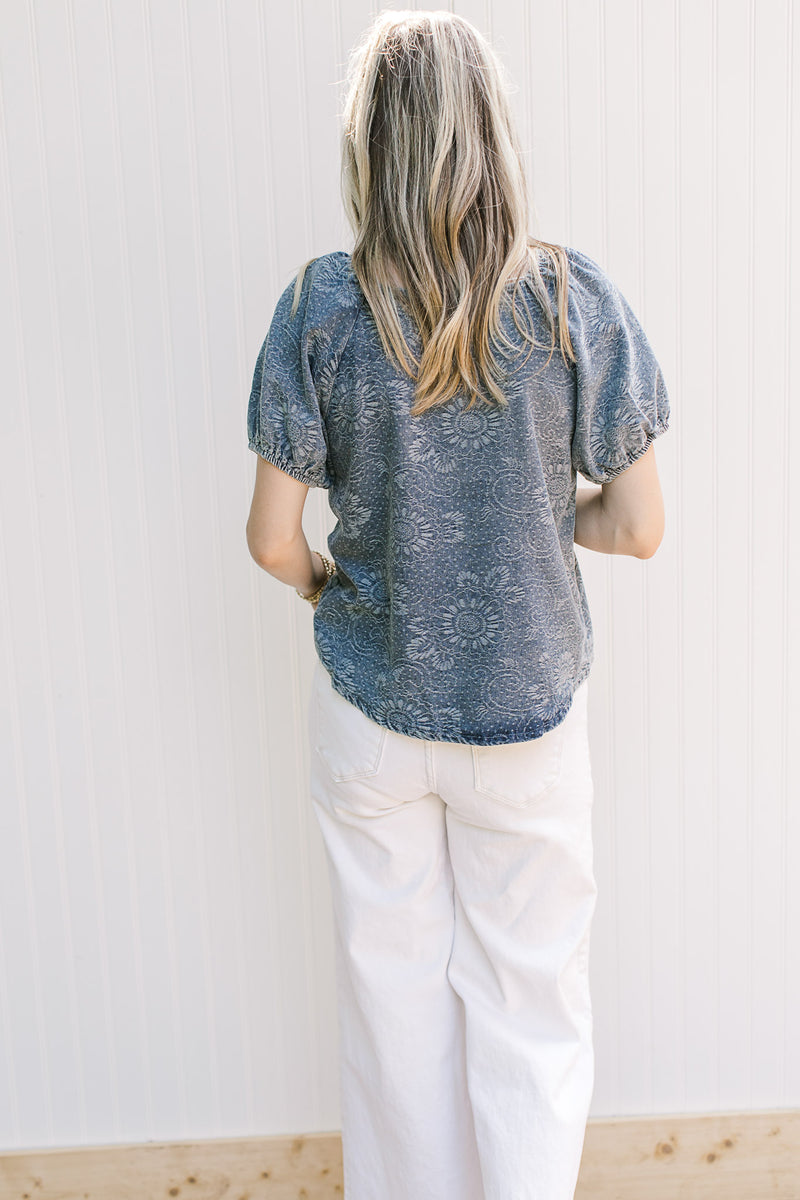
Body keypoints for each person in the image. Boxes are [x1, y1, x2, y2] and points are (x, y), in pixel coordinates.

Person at [245, 10, 670, 1200]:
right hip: (528, 717)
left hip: (371, 715)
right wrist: (548, 526)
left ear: (367, 148)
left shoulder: (316, 312)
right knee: (530, 1014)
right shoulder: (572, 303)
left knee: (392, 1012)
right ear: (489, 134)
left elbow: (271, 540)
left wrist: (333, 585)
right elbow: (636, 527)